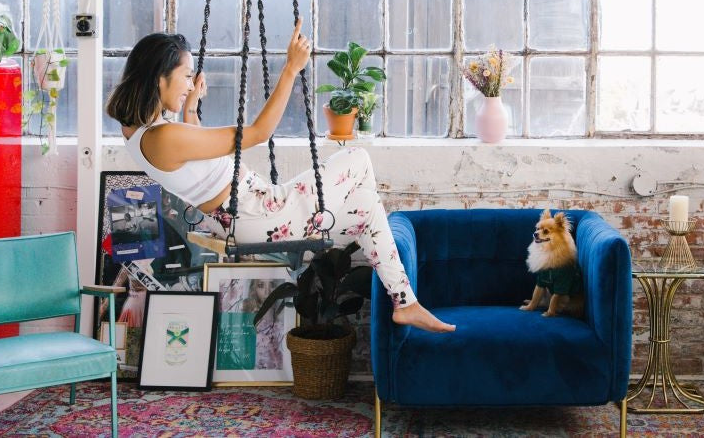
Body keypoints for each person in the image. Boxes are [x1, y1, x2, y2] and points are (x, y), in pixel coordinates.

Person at [105, 20, 454, 333]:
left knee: (364, 209)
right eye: (185, 74)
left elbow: (194, 165)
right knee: (357, 158)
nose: (189, 82)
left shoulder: (141, 132)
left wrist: (191, 108)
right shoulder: (163, 137)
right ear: (158, 77)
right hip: (259, 214)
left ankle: (405, 304)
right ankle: (403, 300)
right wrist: (291, 69)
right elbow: (256, 133)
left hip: (255, 209)